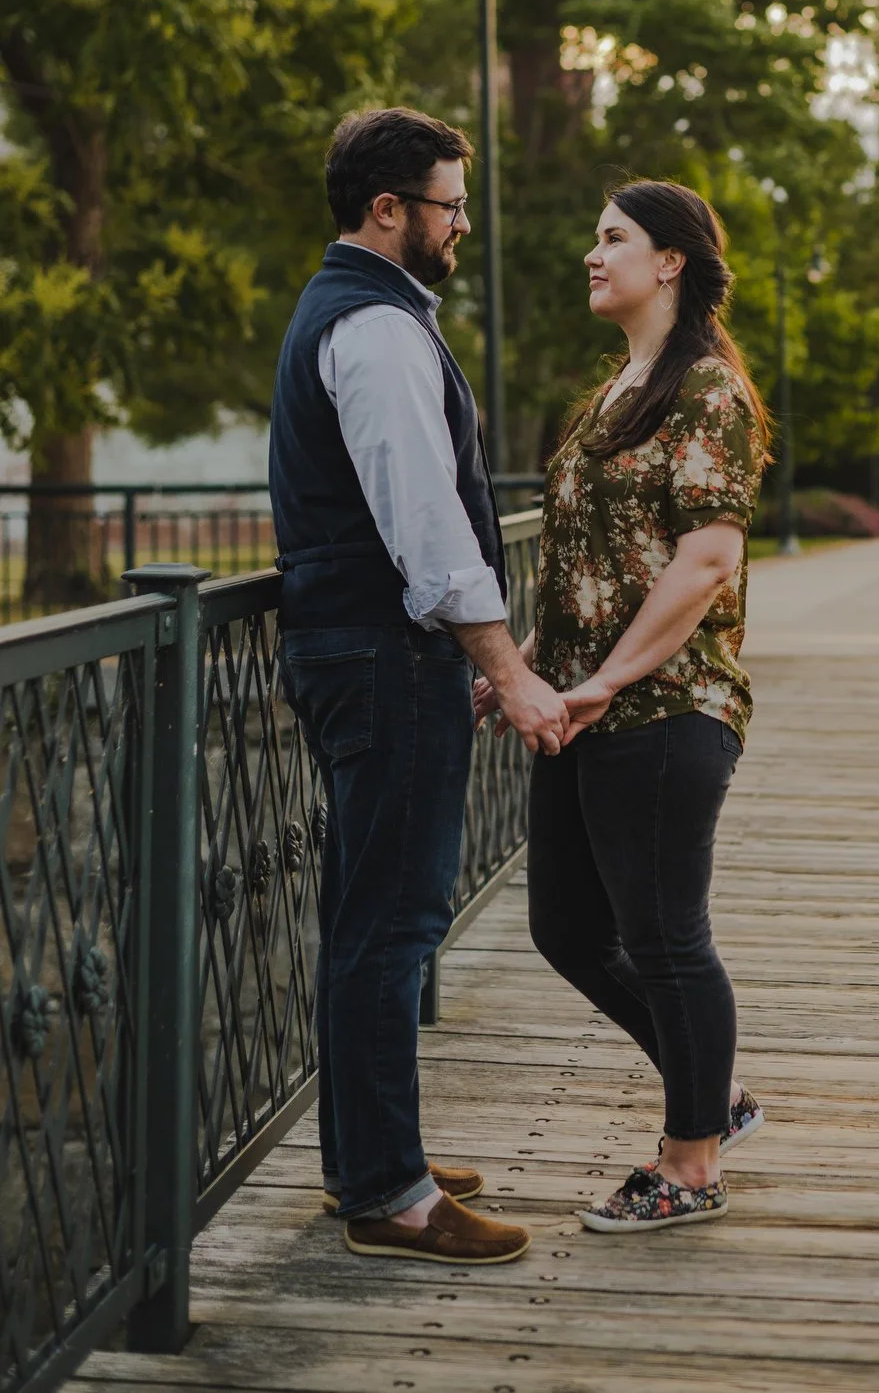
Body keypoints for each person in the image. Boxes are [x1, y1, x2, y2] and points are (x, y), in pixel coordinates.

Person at [270, 105, 569, 1267]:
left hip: (354, 649)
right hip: (386, 660)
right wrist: (504, 660)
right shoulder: (381, 330)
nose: (459, 225)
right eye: (448, 204)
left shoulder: (339, 309)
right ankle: (390, 1193)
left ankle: (366, 1154)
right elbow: (425, 521)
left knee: (365, 917)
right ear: (387, 208)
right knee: (393, 923)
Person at [480, 179, 769, 1232]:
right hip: (583, 708)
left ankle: (691, 1161)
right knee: (565, 928)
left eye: (613, 238)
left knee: (665, 938)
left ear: (672, 261)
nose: (592, 254)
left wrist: (605, 678)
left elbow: (704, 560)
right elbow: (588, 558)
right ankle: (715, 1091)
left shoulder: (706, 390)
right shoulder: (620, 387)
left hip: (666, 709)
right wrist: (524, 668)